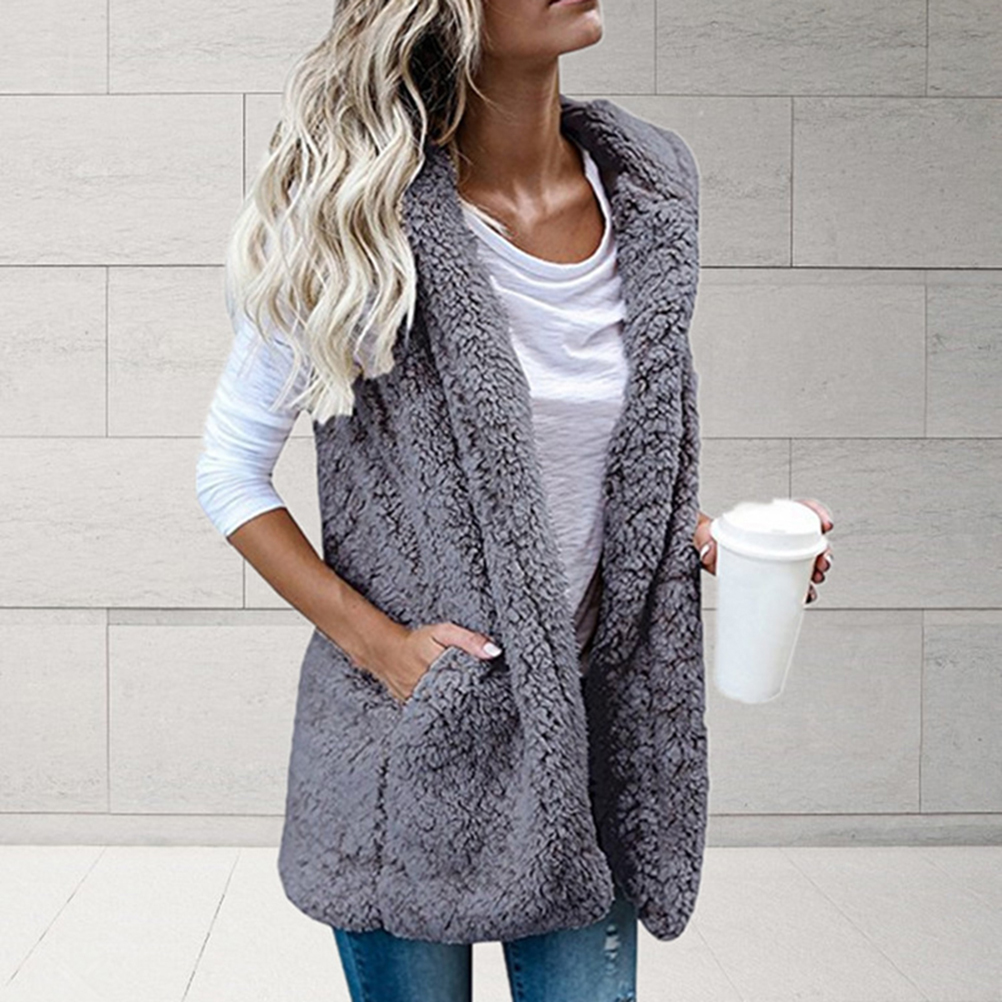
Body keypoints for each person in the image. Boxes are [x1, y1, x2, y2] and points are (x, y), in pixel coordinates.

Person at [197, 1, 833, 999]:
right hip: (414, 749)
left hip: (581, 748)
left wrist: (709, 538)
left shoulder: (646, 196)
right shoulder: (358, 221)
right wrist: (386, 651)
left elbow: (594, 473)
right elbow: (229, 475)